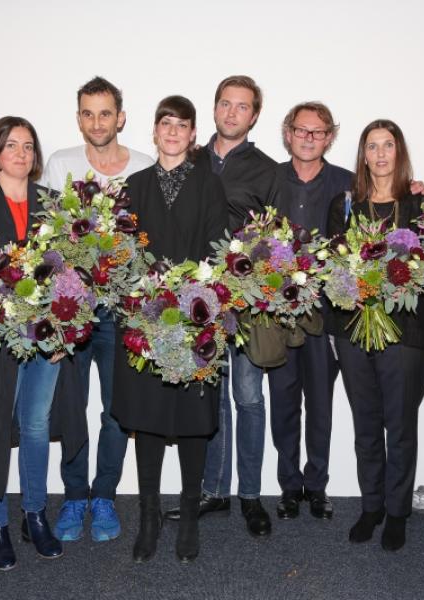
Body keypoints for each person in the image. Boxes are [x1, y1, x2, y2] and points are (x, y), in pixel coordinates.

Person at [0, 116, 86, 570]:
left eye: (29, 146)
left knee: (34, 426)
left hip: (45, 337)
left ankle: (34, 515)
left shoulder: (51, 203)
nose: (21, 153)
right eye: (12, 145)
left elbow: (71, 274)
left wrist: (63, 332)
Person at [112, 95, 227, 563]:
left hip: (196, 316)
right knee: (150, 418)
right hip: (147, 320)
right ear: (155, 131)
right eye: (166, 124)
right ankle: (148, 517)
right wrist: (147, 296)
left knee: (194, 423)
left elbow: (218, 249)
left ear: (193, 134)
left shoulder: (210, 185)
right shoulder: (134, 185)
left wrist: (191, 295)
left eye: (182, 125)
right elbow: (121, 252)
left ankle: (188, 522)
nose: (174, 131)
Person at [163, 75, 279, 537]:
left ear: (254, 115)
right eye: (225, 104)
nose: (232, 113)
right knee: (211, 397)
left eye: (242, 106)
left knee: (248, 397)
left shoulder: (268, 170)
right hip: (197, 299)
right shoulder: (186, 160)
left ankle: (250, 495)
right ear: (214, 109)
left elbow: (275, 238)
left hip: (247, 301)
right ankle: (214, 489)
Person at [42, 76, 153, 544]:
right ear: (78, 119)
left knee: (115, 410)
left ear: (120, 118)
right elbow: (44, 240)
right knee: (71, 408)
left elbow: (152, 243)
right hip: (72, 310)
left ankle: (104, 493)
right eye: (88, 113)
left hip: (122, 311)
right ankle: (73, 497)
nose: (96, 122)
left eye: (105, 113)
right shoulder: (60, 163)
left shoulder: (145, 168)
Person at [326, 120, 424, 551]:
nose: (381, 153)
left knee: (400, 425)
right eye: (372, 146)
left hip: (406, 332)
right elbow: (332, 264)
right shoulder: (345, 204)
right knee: (366, 424)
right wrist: (358, 289)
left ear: (399, 151)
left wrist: (391, 286)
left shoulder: (420, 206)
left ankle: (398, 511)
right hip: (354, 328)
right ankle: (372, 506)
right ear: (363, 154)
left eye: (388, 145)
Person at [271, 101, 351, 521]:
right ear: (288, 133)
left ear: (330, 137)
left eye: (318, 132)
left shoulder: (348, 183)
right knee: (283, 401)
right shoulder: (269, 179)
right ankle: (288, 485)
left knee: (320, 402)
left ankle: (316, 485)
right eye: (301, 130)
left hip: (325, 315)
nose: (308, 138)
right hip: (278, 314)